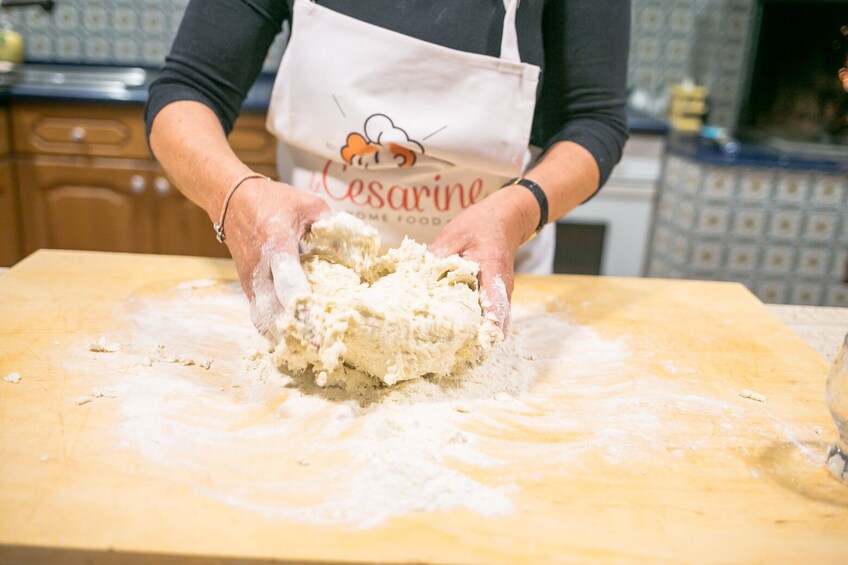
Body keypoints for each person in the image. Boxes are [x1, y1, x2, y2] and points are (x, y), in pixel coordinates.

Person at [145, 0, 630, 335]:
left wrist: (517, 215)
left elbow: (595, 122)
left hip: (483, 289)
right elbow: (186, 89)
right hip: (309, 285)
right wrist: (236, 197)